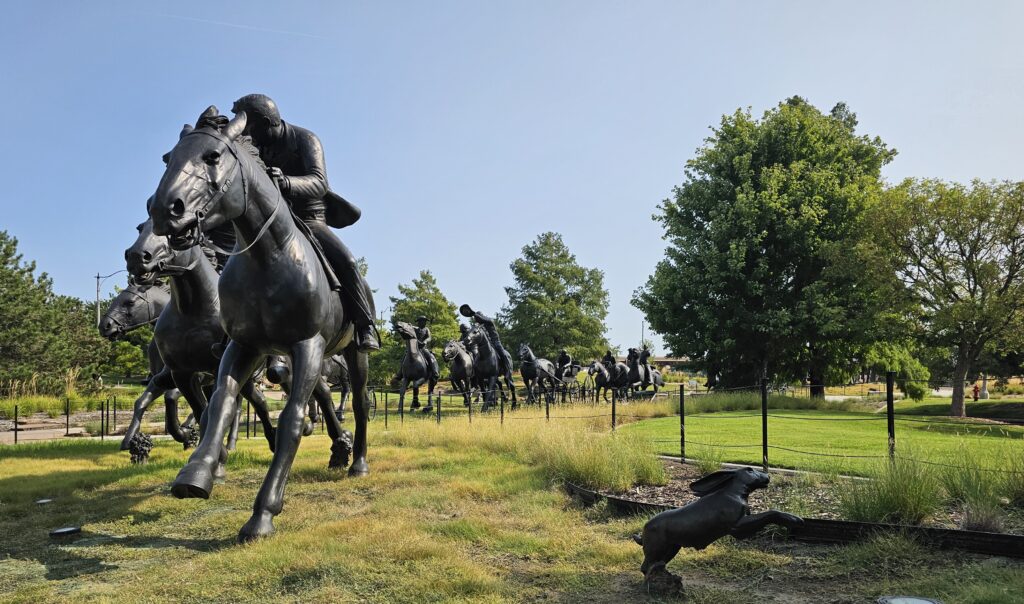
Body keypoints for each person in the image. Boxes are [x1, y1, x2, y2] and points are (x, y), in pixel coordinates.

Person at [230, 94, 378, 351]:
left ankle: (364, 326)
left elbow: (320, 182)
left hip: (309, 219)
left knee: (348, 262)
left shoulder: (306, 139)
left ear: (266, 123)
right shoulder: (255, 145)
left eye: (249, 127)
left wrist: (286, 182)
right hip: (270, 221)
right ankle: (230, 333)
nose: (247, 134)